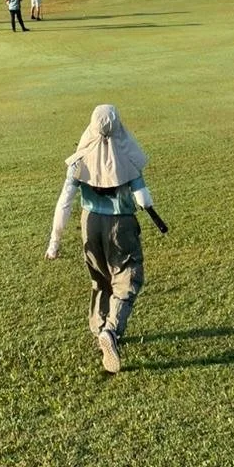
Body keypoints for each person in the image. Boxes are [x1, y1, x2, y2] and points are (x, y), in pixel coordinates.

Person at [45, 104, 153, 373]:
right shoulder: (125, 158)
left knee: (99, 277)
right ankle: (112, 331)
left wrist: (54, 243)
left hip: (89, 224)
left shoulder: (80, 160)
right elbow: (143, 199)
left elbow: (65, 202)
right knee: (128, 276)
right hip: (121, 223)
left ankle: (99, 327)